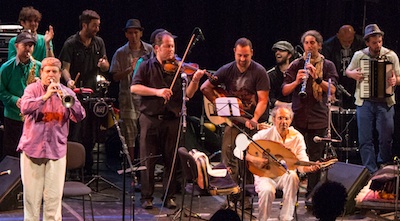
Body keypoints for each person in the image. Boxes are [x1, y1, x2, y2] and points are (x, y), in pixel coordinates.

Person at [131, 30, 205, 209]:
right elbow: (134, 87)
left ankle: (168, 196)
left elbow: (187, 95)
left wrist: (194, 81)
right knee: (147, 159)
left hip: (172, 119)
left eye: (173, 46)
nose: (172, 50)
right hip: (150, 118)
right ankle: (146, 197)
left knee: (172, 160)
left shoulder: (179, 69)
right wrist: (157, 92)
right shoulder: (145, 66)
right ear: (157, 47)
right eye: (168, 46)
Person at [200, 37, 269, 207]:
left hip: (253, 121)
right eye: (239, 55)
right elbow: (204, 88)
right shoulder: (227, 69)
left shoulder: (259, 72)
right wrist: (218, 102)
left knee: (249, 159)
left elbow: (263, 100)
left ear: (251, 53)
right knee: (229, 154)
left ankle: (246, 195)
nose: (242, 59)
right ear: (234, 52)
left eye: (246, 55)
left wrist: (254, 119)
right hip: (234, 121)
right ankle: (232, 194)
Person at [17, 57, 86, 220]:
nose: (51, 75)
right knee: (31, 201)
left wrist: (67, 98)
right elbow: (25, 107)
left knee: (53, 202)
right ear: (41, 73)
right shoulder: (32, 89)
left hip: (56, 151)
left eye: (54, 71)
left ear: (60, 74)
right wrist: (45, 97)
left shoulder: (66, 92)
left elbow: (81, 114)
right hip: (32, 151)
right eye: (47, 71)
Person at [282, 30, 338, 196]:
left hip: (318, 118)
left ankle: (311, 195)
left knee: (315, 158)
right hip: (298, 117)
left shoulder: (328, 65)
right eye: (306, 43)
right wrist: (297, 82)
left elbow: (332, 90)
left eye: (313, 43)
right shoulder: (296, 64)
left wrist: (318, 79)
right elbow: (284, 90)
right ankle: (291, 189)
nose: (309, 46)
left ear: (319, 45)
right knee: (294, 155)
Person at [246, 105, 320, 221]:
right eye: (280, 118)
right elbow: (244, 152)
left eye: (286, 118)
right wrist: (256, 160)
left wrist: (308, 168)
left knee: (293, 177)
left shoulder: (297, 137)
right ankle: (262, 219)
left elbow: (301, 161)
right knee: (267, 191)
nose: (283, 122)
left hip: (284, 175)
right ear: (274, 119)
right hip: (265, 175)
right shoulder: (263, 135)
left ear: (290, 120)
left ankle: (286, 217)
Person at [59, 9, 110, 175]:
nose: (97, 29)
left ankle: (88, 168)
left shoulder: (99, 42)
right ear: (84, 25)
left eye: (98, 25)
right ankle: (73, 169)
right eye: (94, 25)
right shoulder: (70, 44)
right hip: (75, 95)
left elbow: (106, 65)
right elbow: (64, 68)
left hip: (93, 95)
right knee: (75, 133)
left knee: (91, 133)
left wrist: (104, 66)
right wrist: (69, 81)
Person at [345, 24, 400, 173]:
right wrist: (353, 74)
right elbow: (347, 71)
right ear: (367, 42)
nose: (378, 45)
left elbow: (398, 76)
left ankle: (383, 164)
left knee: (386, 138)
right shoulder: (359, 55)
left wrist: (395, 81)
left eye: (380, 41)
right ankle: (370, 170)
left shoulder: (391, 56)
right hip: (365, 102)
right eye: (374, 42)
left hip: (385, 103)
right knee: (365, 139)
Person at [109, 19, 153, 161]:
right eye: (130, 33)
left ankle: (146, 162)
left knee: (146, 132)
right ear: (126, 34)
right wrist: (129, 69)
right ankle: (132, 164)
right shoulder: (121, 53)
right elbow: (115, 76)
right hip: (128, 99)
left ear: (141, 33)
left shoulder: (149, 50)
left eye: (136, 32)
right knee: (129, 133)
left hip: (146, 98)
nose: (133, 36)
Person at [0, 31, 41, 159]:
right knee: (11, 154)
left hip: (33, 117)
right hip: (13, 117)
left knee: (31, 154)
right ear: (17, 46)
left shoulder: (38, 66)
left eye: (31, 46)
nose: (28, 49)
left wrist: (40, 84)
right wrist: (15, 100)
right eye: (25, 45)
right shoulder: (6, 68)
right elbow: (1, 91)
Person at [322, 25, 365, 109]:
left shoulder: (361, 43)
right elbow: (327, 69)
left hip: (355, 83)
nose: (347, 44)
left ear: (354, 35)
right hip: (338, 81)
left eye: (350, 41)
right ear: (338, 36)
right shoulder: (328, 46)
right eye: (344, 41)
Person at [267, 40, 295, 109]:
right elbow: (270, 98)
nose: (278, 53)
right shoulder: (270, 75)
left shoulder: (296, 73)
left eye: (281, 50)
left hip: (295, 111)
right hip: (276, 112)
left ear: (289, 55)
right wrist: (286, 106)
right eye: (276, 51)